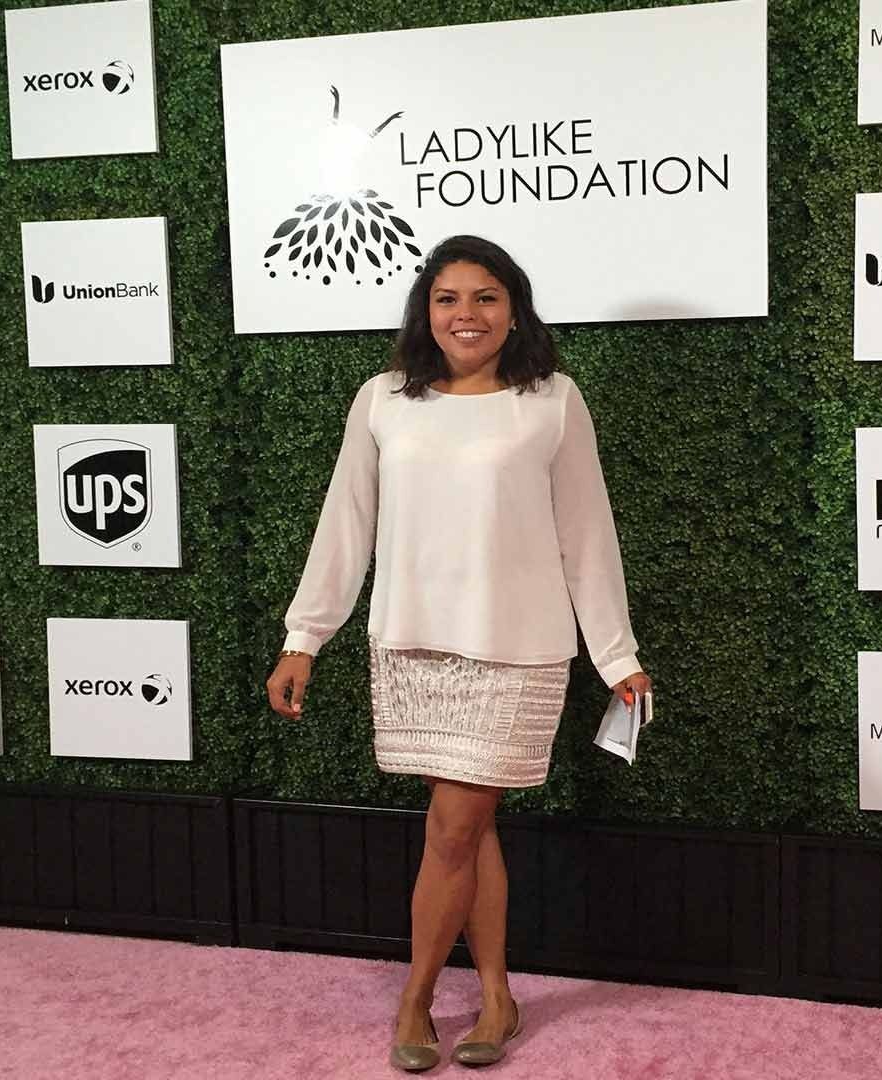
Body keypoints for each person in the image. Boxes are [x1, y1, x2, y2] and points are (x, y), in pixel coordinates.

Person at [265, 234, 652, 1071]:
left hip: (517, 648)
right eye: (448, 298)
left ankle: (415, 1001)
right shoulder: (383, 400)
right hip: (414, 644)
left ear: (514, 310)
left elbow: (588, 534)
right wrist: (306, 637)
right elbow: (347, 523)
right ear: (425, 311)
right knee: (470, 831)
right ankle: (500, 997)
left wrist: (615, 655)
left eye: (485, 297)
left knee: (453, 825)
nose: (466, 314)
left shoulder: (552, 400)